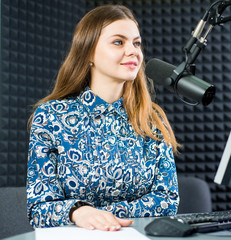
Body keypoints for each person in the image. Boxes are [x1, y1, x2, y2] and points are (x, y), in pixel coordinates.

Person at [26, 4, 180, 231]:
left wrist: (98, 214)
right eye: (119, 42)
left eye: (136, 43)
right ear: (88, 52)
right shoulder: (50, 117)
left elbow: (168, 201)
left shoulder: (151, 119)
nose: (133, 51)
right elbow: (39, 209)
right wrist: (78, 212)